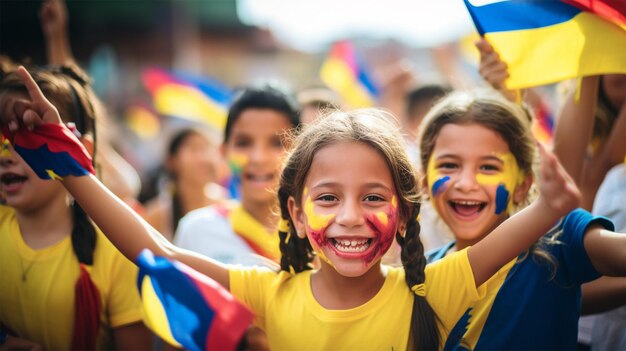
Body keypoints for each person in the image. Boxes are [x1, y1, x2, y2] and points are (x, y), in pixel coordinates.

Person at [2, 66, 580, 350]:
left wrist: (552, 202)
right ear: (297, 216)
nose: (351, 216)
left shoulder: (438, 287)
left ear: (405, 216)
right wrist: (70, 169)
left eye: (373, 198)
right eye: (328, 199)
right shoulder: (267, 291)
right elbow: (158, 250)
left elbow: (533, 217)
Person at [420, 89, 626, 350]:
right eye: (449, 165)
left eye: (488, 167)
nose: (466, 183)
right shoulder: (419, 277)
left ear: (522, 184)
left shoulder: (556, 240)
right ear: (424, 181)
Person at [0, 66, 151, 350]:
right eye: (2, 137)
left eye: (28, 134)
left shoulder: (118, 251)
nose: (8, 153)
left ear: (81, 147)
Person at [174, 84, 300, 266]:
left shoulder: (318, 235)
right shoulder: (196, 231)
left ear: (298, 151)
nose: (258, 157)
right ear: (224, 151)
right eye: (243, 143)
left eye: (276, 143)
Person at [144, 127, 225, 241]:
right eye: (194, 149)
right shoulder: (159, 214)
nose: (203, 158)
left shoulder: (223, 204)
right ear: (172, 161)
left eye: (207, 149)